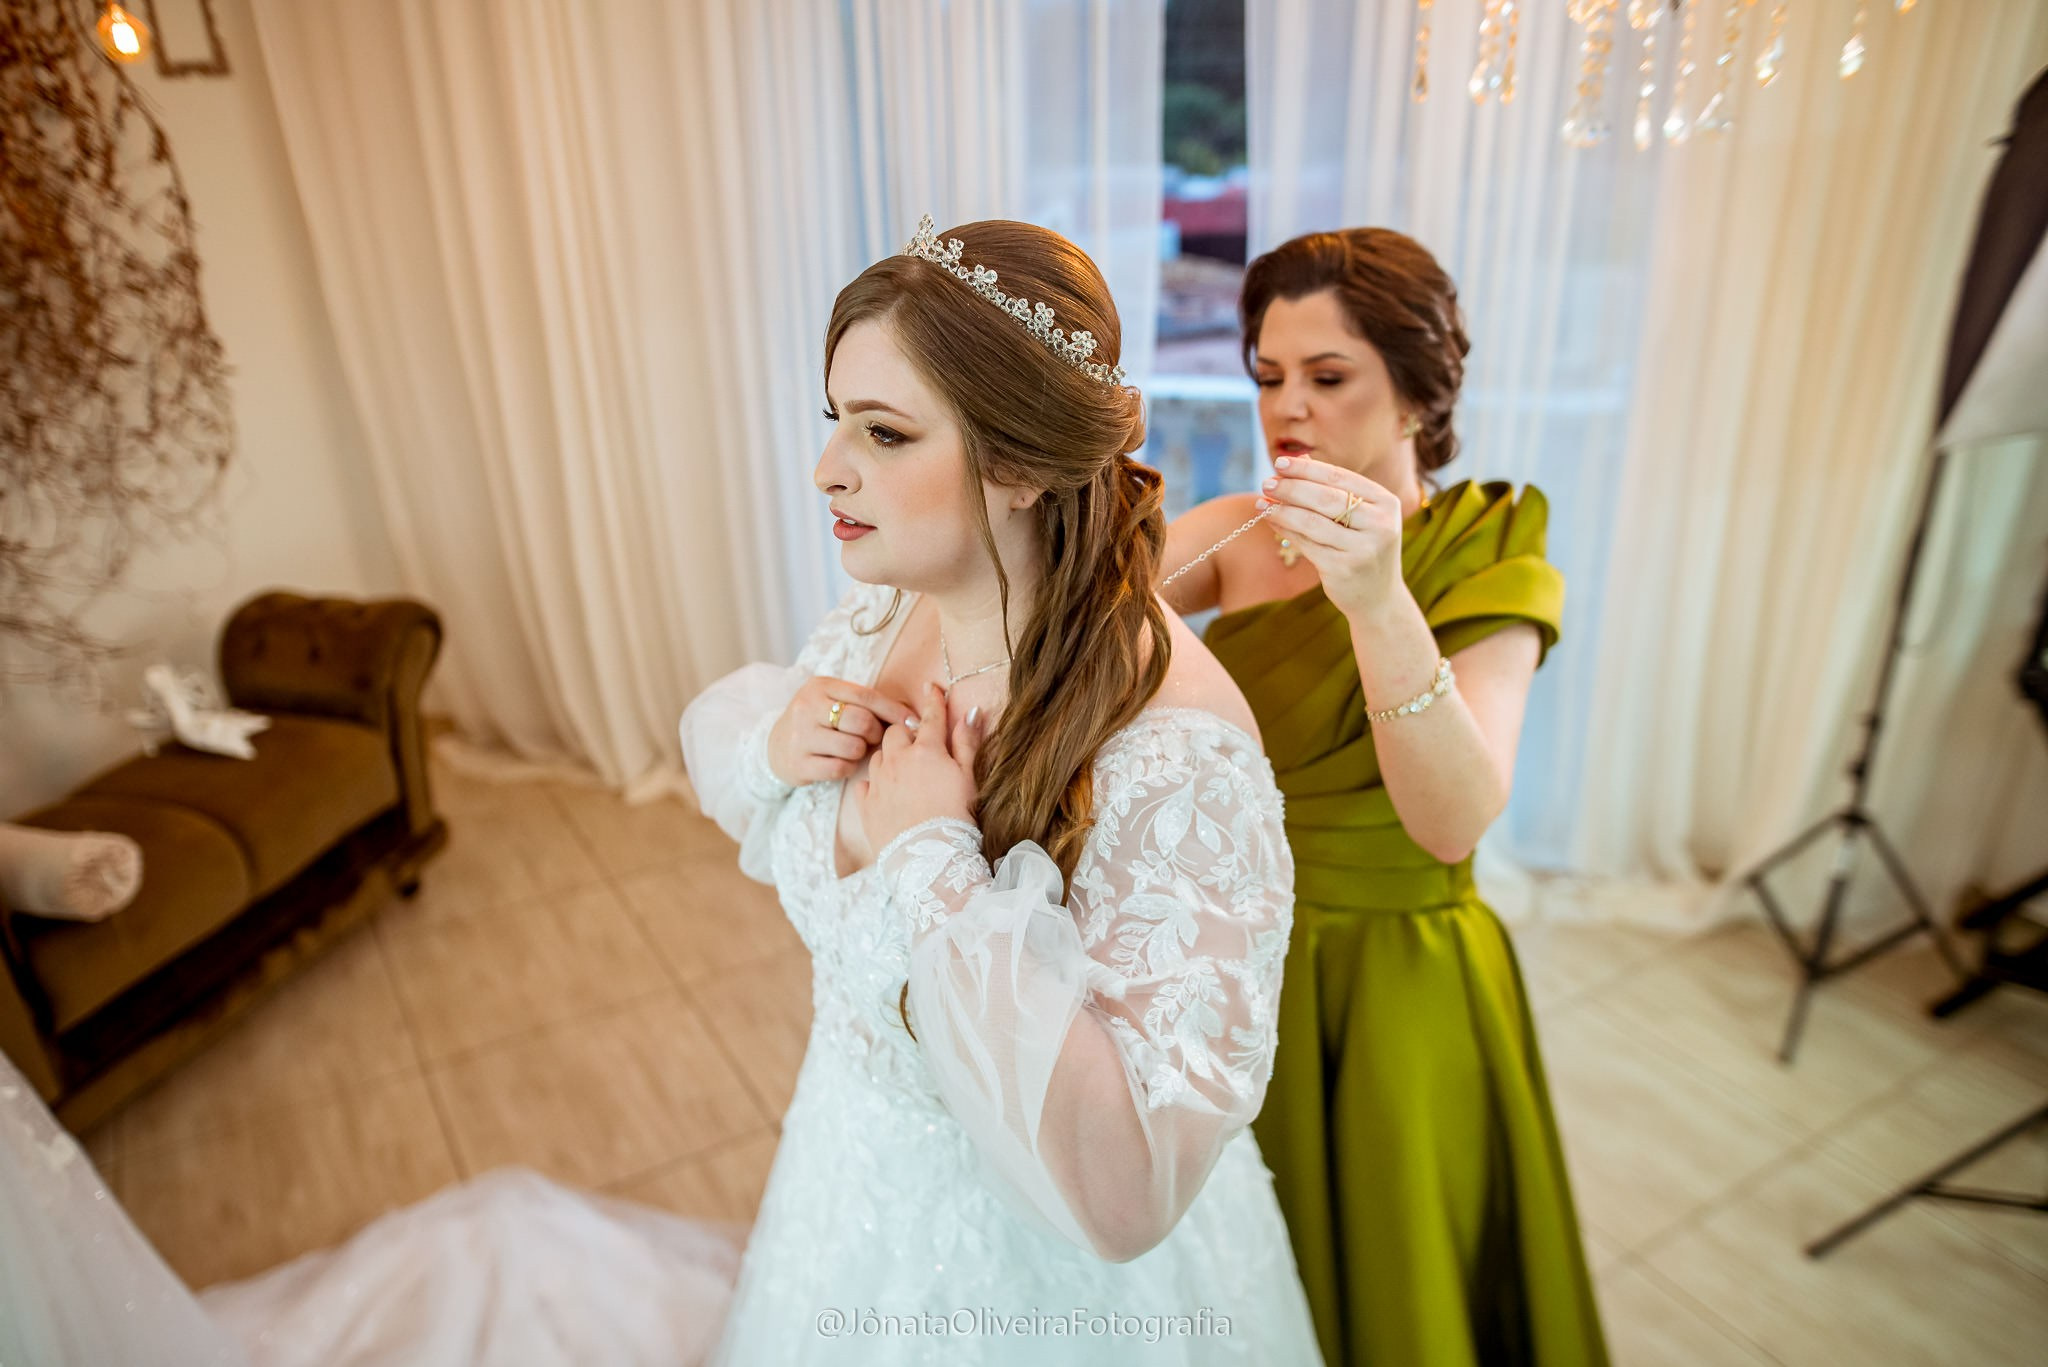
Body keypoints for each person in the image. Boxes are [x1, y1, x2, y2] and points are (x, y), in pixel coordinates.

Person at [681, 216, 1323, 1364]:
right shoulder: (892, 608)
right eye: (835, 420)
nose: (828, 468)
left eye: (884, 432)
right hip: (851, 1188)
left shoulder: (1174, 756)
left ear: (1019, 463)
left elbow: (1123, 1190)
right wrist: (779, 744)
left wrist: (936, 859)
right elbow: (742, 760)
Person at [1163, 228, 1609, 1367]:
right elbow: (1051, 621)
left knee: (1394, 1273)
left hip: (1396, 975)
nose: (1285, 409)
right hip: (1240, 955)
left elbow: (1453, 817)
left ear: (1414, 393)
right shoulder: (1238, 528)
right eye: (1266, 376)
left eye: (1325, 377)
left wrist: (1376, 599)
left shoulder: (1488, 542)